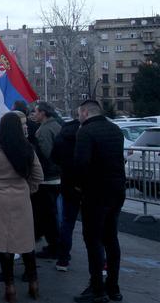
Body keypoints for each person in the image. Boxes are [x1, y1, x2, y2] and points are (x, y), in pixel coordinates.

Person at [0, 112, 44, 303]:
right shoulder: (27, 147)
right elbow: (38, 174)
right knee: (26, 240)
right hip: (21, 193)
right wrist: (30, 187)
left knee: (4, 243)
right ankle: (33, 283)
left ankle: (10, 287)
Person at [73, 100, 125, 303]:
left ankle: (97, 289)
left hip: (95, 193)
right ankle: (114, 288)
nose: (78, 117)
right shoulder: (115, 129)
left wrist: (78, 186)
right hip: (117, 190)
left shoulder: (85, 132)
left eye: (79, 114)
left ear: (85, 112)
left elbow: (81, 163)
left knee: (93, 240)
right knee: (111, 238)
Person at [32, 101, 62, 259]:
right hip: (55, 177)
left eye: (36, 112)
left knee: (47, 214)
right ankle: (52, 243)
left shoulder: (44, 130)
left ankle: (54, 246)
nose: (34, 114)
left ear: (43, 113)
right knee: (50, 213)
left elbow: (45, 155)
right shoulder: (56, 126)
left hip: (47, 178)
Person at [51, 115, 81, 272]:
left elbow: (54, 157)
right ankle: (102, 262)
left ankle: (63, 259)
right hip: (91, 186)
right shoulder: (90, 134)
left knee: (67, 223)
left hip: (68, 183)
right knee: (98, 225)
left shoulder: (63, 135)